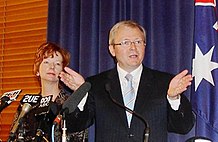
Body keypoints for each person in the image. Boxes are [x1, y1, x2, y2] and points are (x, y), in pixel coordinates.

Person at [60, 20, 195, 142]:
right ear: (112, 49)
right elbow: (75, 125)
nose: (133, 47)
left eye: (138, 42)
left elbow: (184, 127)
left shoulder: (165, 82)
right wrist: (81, 94)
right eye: (125, 42)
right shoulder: (96, 84)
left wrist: (173, 98)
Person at [8, 42, 88, 142]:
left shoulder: (70, 105)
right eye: (46, 62)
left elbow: (81, 137)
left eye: (57, 63)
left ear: (62, 71)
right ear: (37, 70)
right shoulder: (27, 105)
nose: (52, 67)